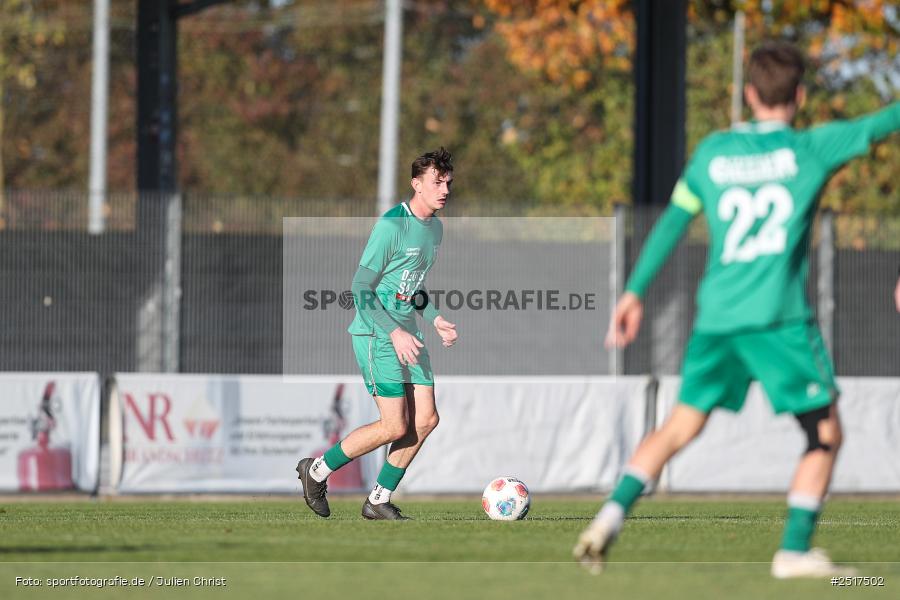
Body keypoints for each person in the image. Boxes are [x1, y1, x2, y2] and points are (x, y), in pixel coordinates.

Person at [573, 41, 899, 577]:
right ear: (799, 95)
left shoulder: (713, 153)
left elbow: (673, 224)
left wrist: (633, 292)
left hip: (718, 317)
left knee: (679, 424)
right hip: (778, 319)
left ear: (749, 93)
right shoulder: (812, 148)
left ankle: (610, 517)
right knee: (825, 433)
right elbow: (884, 120)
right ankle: (794, 550)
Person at [297, 148, 458, 520]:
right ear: (416, 184)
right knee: (394, 424)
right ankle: (316, 470)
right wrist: (394, 333)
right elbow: (360, 288)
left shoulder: (435, 228)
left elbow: (411, 286)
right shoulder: (391, 226)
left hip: (409, 332)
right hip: (375, 333)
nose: (445, 189)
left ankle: (378, 500)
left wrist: (433, 317)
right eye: (437, 182)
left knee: (426, 420)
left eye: (448, 182)